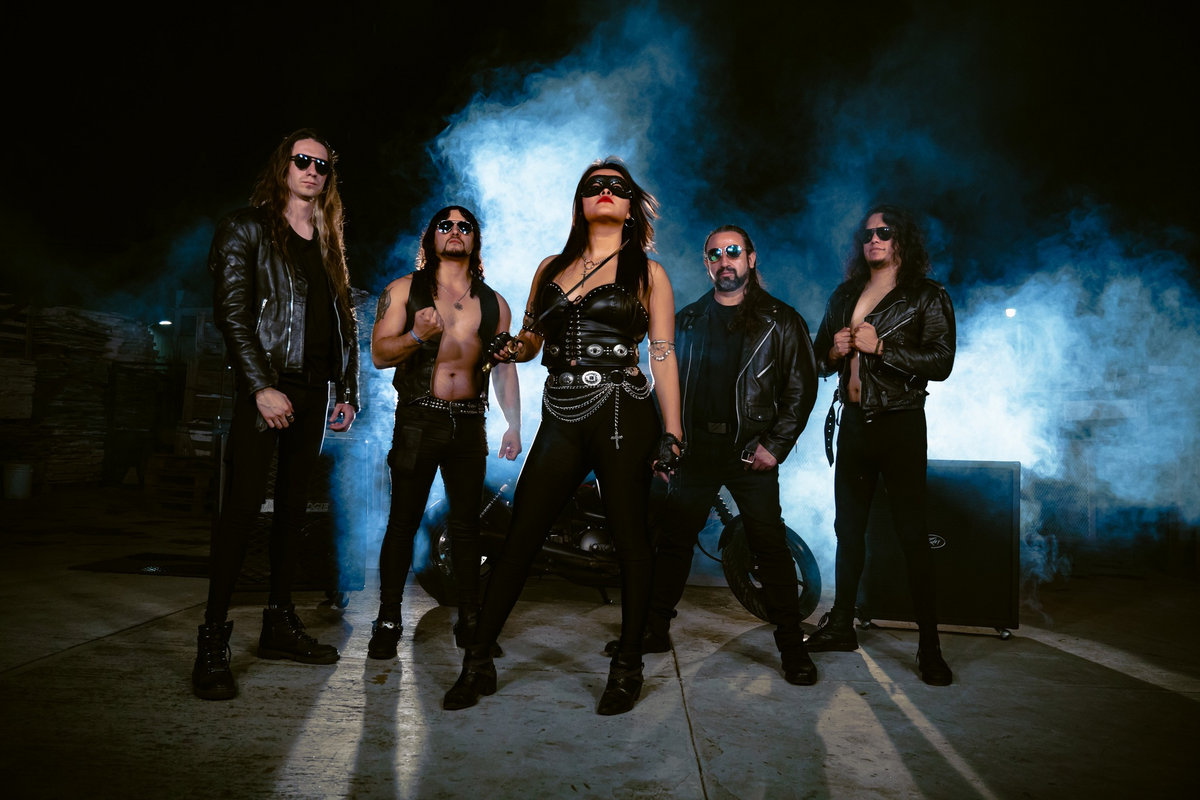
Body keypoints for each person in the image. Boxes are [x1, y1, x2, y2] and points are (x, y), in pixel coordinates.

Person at [443, 158, 683, 716]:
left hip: (623, 408)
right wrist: (513, 347)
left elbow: (663, 354)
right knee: (521, 534)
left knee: (631, 538)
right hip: (562, 409)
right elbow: (531, 338)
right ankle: (477, 662)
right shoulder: (551, 267)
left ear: (630, 206)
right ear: (581, 202)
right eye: (594, 186)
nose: (605, 192)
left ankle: (627, 667)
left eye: (617, 187)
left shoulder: (649, 272)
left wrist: (673, 431)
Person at [194, 128, 360, 700]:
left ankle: (278, 625)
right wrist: (261, 386)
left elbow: (344, 321)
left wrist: (347, 391)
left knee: (292, 511)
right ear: (283, 167)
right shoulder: (246, 228)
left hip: (315, 392)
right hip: (267, 389)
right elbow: (232, 314)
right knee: (241, 510)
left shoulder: (329, 241)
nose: (312, 170)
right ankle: (211, 640)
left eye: (322, 165)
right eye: (302, 160)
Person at [632, 225, 819, 685]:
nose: (724, 260)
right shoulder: (689, 319)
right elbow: (665, 386)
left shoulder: (781, 320)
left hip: (749, 451)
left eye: (733, 251)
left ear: (751, 259)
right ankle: (654, 630)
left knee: (768, 545)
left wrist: (775, 445)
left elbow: (801, 388)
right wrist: (665, 444)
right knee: (674, 541)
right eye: (714, 254)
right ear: (707, 264)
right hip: (695, 449)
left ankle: (792, 647)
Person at [809, 204, 956, 686]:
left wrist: (883, 348)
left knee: (912, 534)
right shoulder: (845, 294)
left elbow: (941, 361)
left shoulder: (925, 295)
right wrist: (833, 351)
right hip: (854, 425)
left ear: (901, 240)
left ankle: (929, 646)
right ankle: (841, 626)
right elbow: (817, 360)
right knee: (848, 531)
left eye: (885, 232)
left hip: (900, 423)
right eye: (868, 233)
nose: (874, 239)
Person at [368, 206, 521, 659]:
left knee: (467, 526)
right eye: (446, 225)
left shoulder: (494, 303)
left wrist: (513, 423)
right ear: (431, 237)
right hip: (419, 419)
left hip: (470, 422)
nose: (455, 231)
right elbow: (379, 354)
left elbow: (504, 368)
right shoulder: (402, 290)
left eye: (464, 226)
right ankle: (388, 620)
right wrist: (416, 335)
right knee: (403, 523)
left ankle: (470, 619)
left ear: (474, 240)